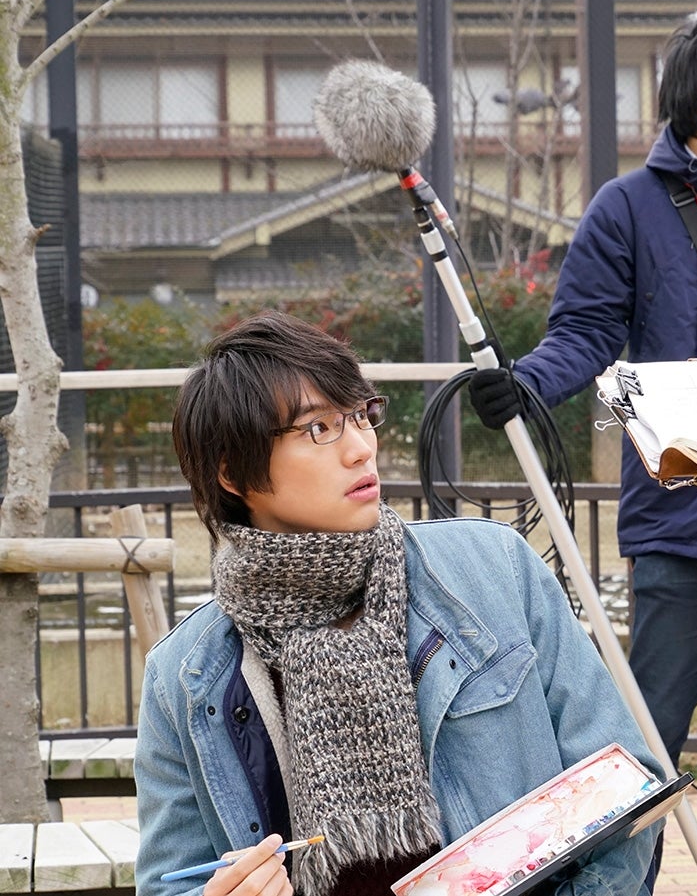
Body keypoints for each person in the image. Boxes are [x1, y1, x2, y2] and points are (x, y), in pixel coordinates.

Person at [466, 16, 697, 896]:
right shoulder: (627, 208)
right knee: (646, 727)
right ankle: (621, 888)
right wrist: (524, 384)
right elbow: (586, 332)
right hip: (677, 510)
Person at [136, 312, 663, 896]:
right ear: (233, 473)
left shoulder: (495, 570)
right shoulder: (185, 676)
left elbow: (624, 783)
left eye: (361, 415)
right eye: (318, 429)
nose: (363, 449)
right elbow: (167, 882)